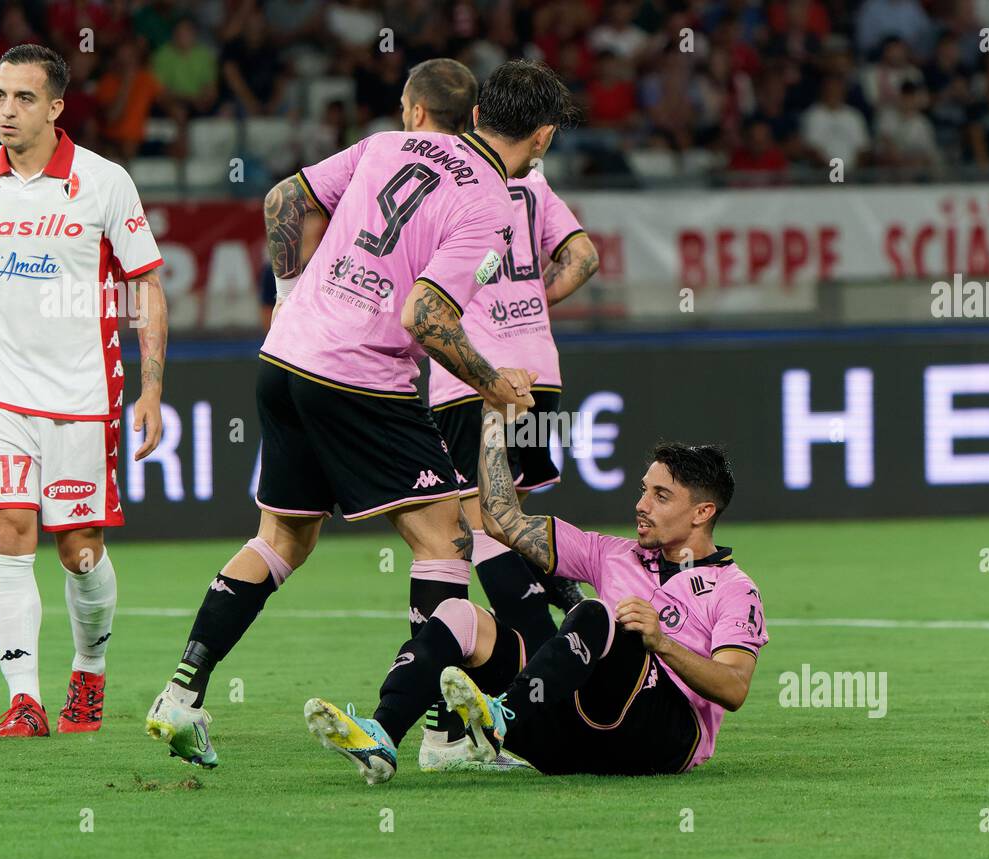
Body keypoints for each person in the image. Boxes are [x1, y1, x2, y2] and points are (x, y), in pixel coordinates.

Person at [145, 60, 577, 768]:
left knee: (282, 540)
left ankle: (182, 694)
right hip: (360, 374)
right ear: (544, 138)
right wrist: (492, 379)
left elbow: (284, 198)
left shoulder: (385, 145)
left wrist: (291, 291)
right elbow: (424, 313)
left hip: (284, 358)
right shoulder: (493, 201)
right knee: (446, 542)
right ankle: (432, 730)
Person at [0, 44, 168, 738]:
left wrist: (150, 388)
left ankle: (89, 674)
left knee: (79, 551)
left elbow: (147, 287)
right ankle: (24, 700)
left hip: (82, 394)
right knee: (8, 531)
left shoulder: (105, 183)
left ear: (55, 107)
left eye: (22, 98)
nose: (6, 111)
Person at [304, 404, 768, 782]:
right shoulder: (612, 553)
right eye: (644, 490)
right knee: (459, 617)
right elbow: (501, 519)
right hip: (571, 739)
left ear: (703, 512)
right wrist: (491, 422)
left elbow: (734, 688)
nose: (640, 505)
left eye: (660, 497)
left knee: (598, 615)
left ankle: (504, 716)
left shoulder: (734, 589)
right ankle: (382, 734)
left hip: (663, 739)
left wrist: (660, 642)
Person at [397, 61, 600, 769]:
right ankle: (561, 632)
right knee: (499, 526)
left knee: (474, 530)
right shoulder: (535, 183)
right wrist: (535, 303)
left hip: (473, 377)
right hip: (539, 374)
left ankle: (514, 700)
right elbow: (583, 255)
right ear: (541, 133)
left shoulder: (441, 173)